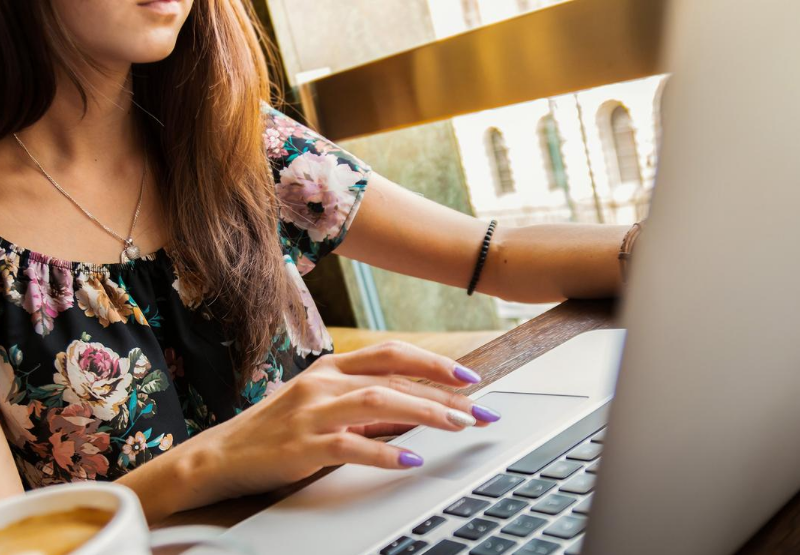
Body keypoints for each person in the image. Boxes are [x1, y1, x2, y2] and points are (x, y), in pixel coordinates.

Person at [0, 0, 630, 523]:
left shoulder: (231, 138)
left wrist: (671, 248)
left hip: (352, 528)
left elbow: (493, 256)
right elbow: (11, 554)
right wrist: (213, 461)